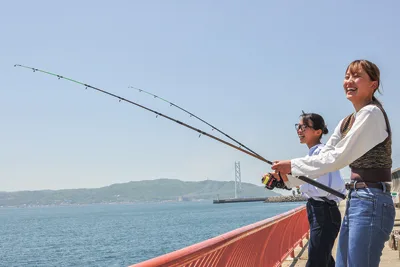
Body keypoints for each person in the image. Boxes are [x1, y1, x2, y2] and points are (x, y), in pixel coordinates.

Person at [272, 59, 395, 267]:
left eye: (356, 76)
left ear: (373, 84)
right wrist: (288, 178)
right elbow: (325, 157)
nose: (349, 81)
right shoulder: (348, 121)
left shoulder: (372, 113)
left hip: (372, 198)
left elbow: (338, 158)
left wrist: (291, 166)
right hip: (357, 198)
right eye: (347, 76)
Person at [290, 111, 345, 267]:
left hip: (324, 212)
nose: (299, 130)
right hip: (318, 211)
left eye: (304, 127)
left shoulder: (321, 154)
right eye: (298, 126)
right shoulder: (312, 156)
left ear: (318, 132)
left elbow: (324, 187)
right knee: (324, 260)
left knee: (316, 261)